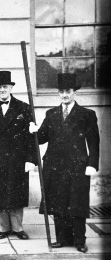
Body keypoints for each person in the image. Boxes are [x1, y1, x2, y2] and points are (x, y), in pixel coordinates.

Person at [29, 73, 100, 253]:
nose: (65, 95)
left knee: (77, 204)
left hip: (78, 166)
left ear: (74, 92)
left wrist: (92, 164)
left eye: (68, 91)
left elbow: (93, 141)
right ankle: (61, 238)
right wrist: (34, 131)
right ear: (58, 93)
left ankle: (79, 241)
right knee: (58, 204)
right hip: (55, 166)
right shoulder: (51, 114)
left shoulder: (87, 114)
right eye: (61, 91)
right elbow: (42, 138)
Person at [0, 71, 36, 240]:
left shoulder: (23, 107)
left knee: (16, 193)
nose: (2, 90)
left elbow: (31, 136)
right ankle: (3, 227)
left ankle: (17, 228)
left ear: (11, 88)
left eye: (5, 87)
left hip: (17, 158)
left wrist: (31, 160)